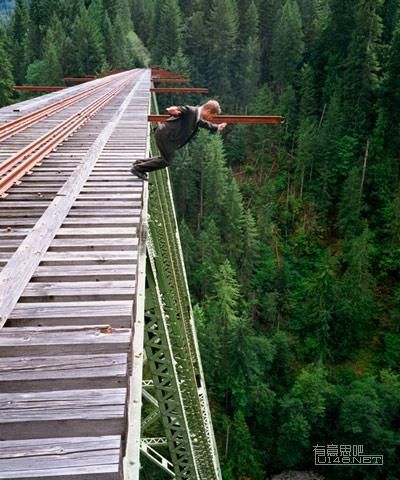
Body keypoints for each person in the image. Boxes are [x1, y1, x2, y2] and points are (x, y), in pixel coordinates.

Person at [130, 99, 227, 181]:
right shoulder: (191, 111)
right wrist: (174, 110)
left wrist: (216, 127)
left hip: (166, 135)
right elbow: (181, 110)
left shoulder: (196, 116)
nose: (211, 118)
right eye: (212, 116)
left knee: (165, 159)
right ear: (208, 110)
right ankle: (138, 168)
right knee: (167, 161)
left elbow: (203, 123)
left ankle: (139, 163)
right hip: (166, 136)